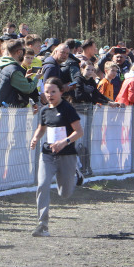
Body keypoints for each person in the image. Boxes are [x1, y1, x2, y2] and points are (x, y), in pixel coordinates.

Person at [29, 77, 83, 237]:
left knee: (64, 193)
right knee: (43, 185)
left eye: (53, 91)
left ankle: (75, 172)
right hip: (48, 154)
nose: (50, 95)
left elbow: (79, 132)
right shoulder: (45, 110)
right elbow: (41, 127)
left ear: (60, 92)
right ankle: (42, 224)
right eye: (47, 92)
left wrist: (64, 142)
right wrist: (35, 138)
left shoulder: (68, 109)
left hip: (66, 155)